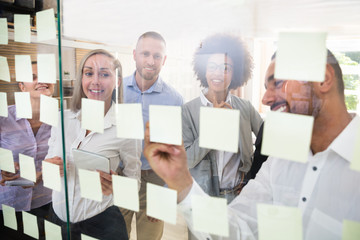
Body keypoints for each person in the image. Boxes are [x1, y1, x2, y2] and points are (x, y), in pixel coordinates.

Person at [143, 49, 360, 239]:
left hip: (235, 190)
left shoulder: (244, 108)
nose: (265, 99)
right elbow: (238, 228)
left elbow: (262, 135)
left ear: (323, 79)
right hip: (209, 194)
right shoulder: (279, 163)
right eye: (213, 67)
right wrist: (181, 182)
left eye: (278, 83)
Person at [45, 49, 141, 240]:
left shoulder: (126, 127)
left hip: (101, 224)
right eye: (89, 73)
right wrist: (49, 168)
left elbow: (134, 182)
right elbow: (49, 162)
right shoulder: (62, 119)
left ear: (118, 81)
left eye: (104, 74)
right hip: (57, 217)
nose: (95, 81)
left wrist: (117, 186)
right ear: (82, 79)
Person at [182, 34, 262, 205]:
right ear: (204, 69)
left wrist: (252, 180)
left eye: (226, 68)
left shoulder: (245, 108)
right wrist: (214, 125)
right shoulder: (188, 110)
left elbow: (267, 143)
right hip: (201, 199)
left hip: (237, 197)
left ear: (235, 73)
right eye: (212, 66)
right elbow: (187, 160)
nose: (219, 73)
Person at [120, 31, 183, 240]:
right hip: (121, 175)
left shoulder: (173, 99)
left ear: (164, 60)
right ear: (135, 55)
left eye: (157, 56)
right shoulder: (116, 90)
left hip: (155, 179)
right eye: (145, 54)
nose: (150, 61)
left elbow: (174, 150)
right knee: (117, 234)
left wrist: (165, 192)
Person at [0, 61, 53, 239]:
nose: (42, 81)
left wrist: (45, 172)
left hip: (47, 204)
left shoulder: (63, 121)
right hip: (8, 206)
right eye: (33, 77)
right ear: (22, 87)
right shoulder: (4, 117)